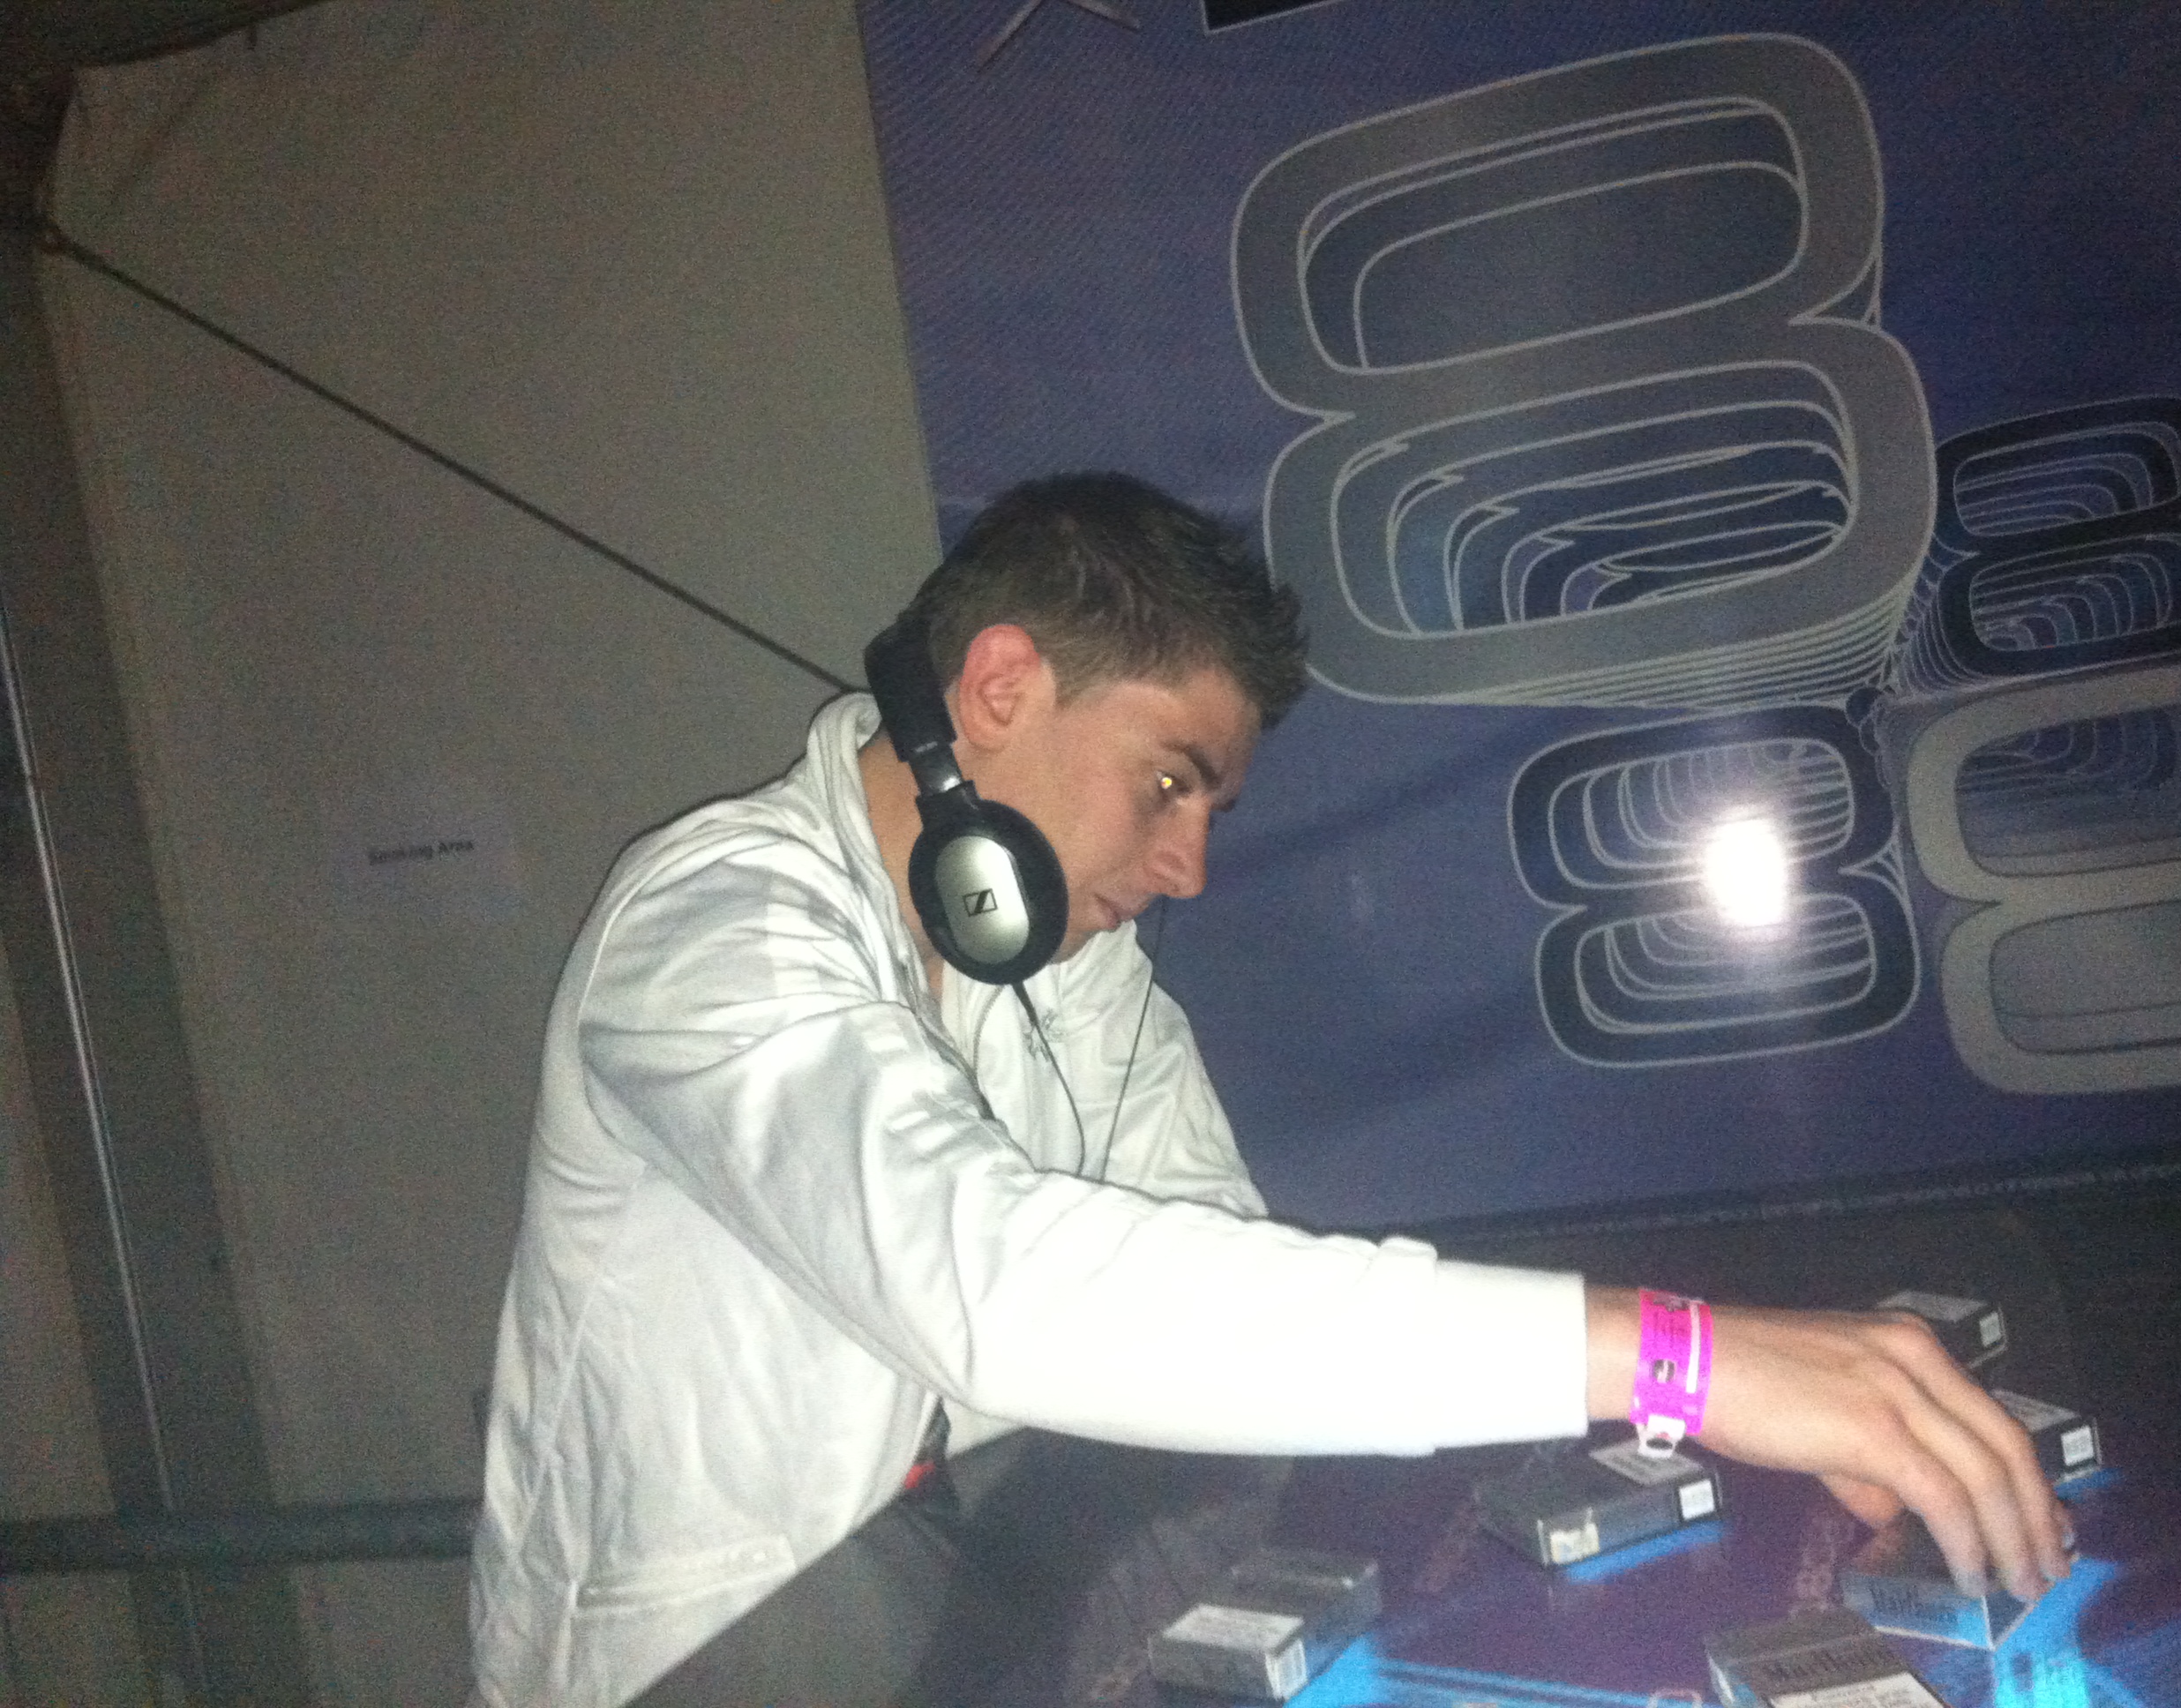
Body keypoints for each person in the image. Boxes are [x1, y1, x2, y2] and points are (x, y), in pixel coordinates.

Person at [468, 473, 2072, 1707]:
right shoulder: (712, 930)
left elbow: (1233, 1316)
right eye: (1168, 782)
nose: (1188, 866)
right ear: (1002, 690)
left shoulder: (1079, 973)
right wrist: (1685, 1360)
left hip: (966, 1638)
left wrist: (1673, 1406)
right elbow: (997, 1295)